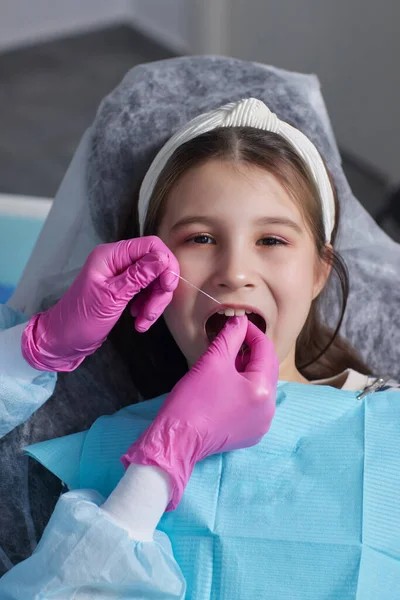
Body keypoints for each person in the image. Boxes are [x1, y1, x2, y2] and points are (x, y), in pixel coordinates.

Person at [0, 98, 399, 598]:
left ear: (320, 271)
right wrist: (161, 461)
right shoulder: (109, 455)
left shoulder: (390, 428)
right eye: (202, 238)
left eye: (272, 240)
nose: (234, 272)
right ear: (150, 273)